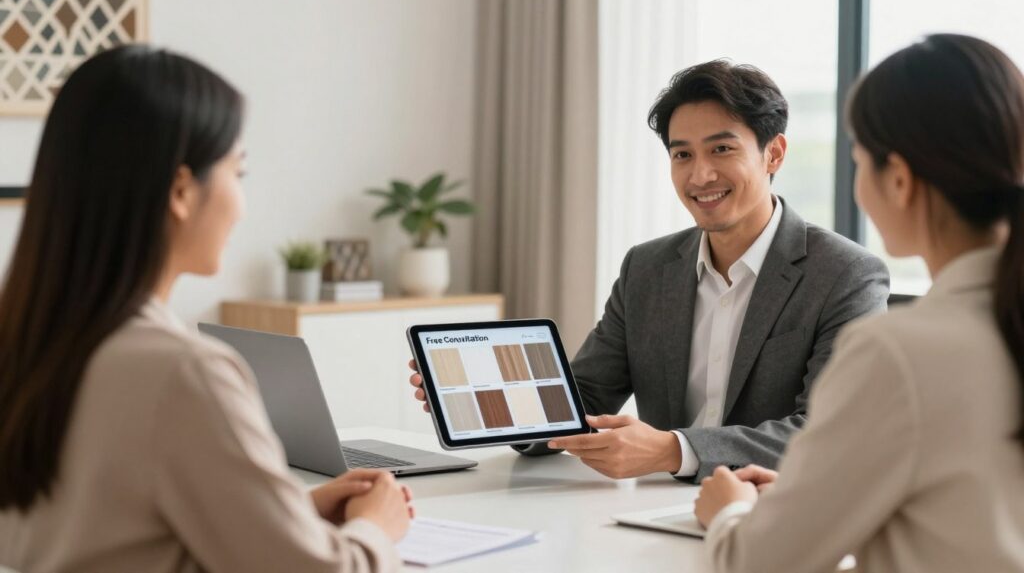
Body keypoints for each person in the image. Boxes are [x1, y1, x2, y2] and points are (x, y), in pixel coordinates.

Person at [0, 46, 411, 573]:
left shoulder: (29, 344)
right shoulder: (182, 373)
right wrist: (375, 527)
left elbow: (107, 531)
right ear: (180, 190)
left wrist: (289, 514)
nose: (240, 200)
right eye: (237, 172)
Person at [409, 60, 889, 481]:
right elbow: (587, 397)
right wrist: (485, 404)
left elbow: (829, 432)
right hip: (648, 511)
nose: (699, 175)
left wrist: (672, 450)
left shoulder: (846, 274)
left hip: (776, 516)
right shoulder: (648, 267)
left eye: (721, 149)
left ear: (774, 154)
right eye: (682, 155)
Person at [694, 33, 1024, 572]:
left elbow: (756, 564)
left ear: (897, 179)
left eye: (857, 160)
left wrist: (730, 512)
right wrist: (818, 493)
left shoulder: (899, 351)